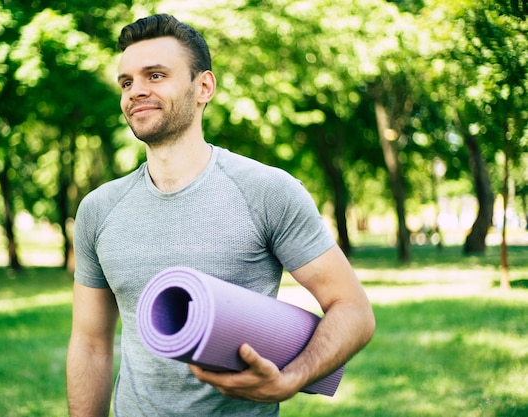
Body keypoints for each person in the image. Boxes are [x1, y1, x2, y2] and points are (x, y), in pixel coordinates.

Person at [66, 13, 375, 417]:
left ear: (204, 87)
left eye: (155, 76)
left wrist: (291, 379)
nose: (135, 91)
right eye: (127, 82)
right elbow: (90, 344)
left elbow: (353, 310)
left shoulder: (267, 191)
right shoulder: (98, 210)